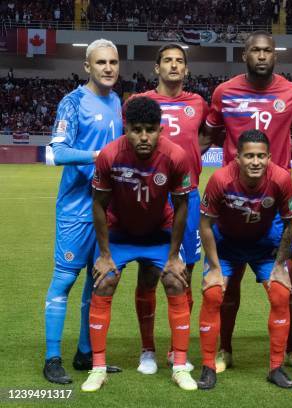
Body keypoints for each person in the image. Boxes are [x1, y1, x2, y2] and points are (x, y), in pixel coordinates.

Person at [201, 30, 292, 372]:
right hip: (231, 197)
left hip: (275, 194)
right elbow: (208, 136)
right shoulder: (224, 92)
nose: (262, 56)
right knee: (229, 283)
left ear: (275, 56)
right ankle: (224, 350)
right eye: (255, 50)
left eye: (267, 50)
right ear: (245, 56)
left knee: (286, 283)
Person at [82, 96, 197, 392]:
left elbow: (183, 206)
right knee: (104, 280)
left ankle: (180, 365)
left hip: (158, 233)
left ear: (160, 129)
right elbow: (98, 204)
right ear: (126, 127)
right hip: (120, 234)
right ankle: (97, 367)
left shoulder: (175, 155)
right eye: (136, 130)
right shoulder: (109, 155)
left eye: (150, 129)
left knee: (174, 280)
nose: (143, 137)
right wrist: (105, 254)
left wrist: (174, 256)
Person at [43, 39, 122, 384]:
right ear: (87, 66)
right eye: (101, 62)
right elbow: (56, 153)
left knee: (98, 282)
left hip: (107, 210)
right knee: (64, 281)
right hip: (76, 209)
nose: (108, 68)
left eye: (113, 62)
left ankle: (85, 353)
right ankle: (51, 357)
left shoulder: (118, 101)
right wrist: (97, 156)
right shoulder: (72, 102)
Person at [126, 43, 209, 375]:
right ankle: (147, 350)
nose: (174, 66)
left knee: (183, 275)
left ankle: (179, 351)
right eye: (167, 61)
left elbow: (202, 139)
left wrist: (187, 159)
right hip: (149, 197)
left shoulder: (197, 103)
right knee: (148, 273)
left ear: (186, 70)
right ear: (155, 68)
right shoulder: (138, 103)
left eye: (180, 61)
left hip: (186, 199)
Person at [197, 130, 292, 389]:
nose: (256, 162)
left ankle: (276, 367)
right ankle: (209, 365)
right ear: (237, 157)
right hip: (226, 247)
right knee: (212, 294)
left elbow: (290, 223)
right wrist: (215, 268)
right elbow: (206, 224)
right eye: (249, 156)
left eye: (261, 156)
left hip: (263, 247)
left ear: (269, 157)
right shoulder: (220, 179)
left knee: (280, 293)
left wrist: (280, 265)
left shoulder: (281, 179)